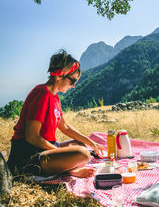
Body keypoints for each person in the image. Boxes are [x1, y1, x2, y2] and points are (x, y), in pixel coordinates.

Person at [7, 49, 105, 178]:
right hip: (29, 155)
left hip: (45, 149)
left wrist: (90, 142)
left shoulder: (55, 98)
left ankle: (67, 168)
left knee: (81, 144)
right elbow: (32, 137)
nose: (74, 85)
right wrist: (60, 152)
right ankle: (69, 171)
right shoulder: (40, 94)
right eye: (73, 81)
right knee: (83, 154)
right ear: (59, 76)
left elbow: (64, 127)